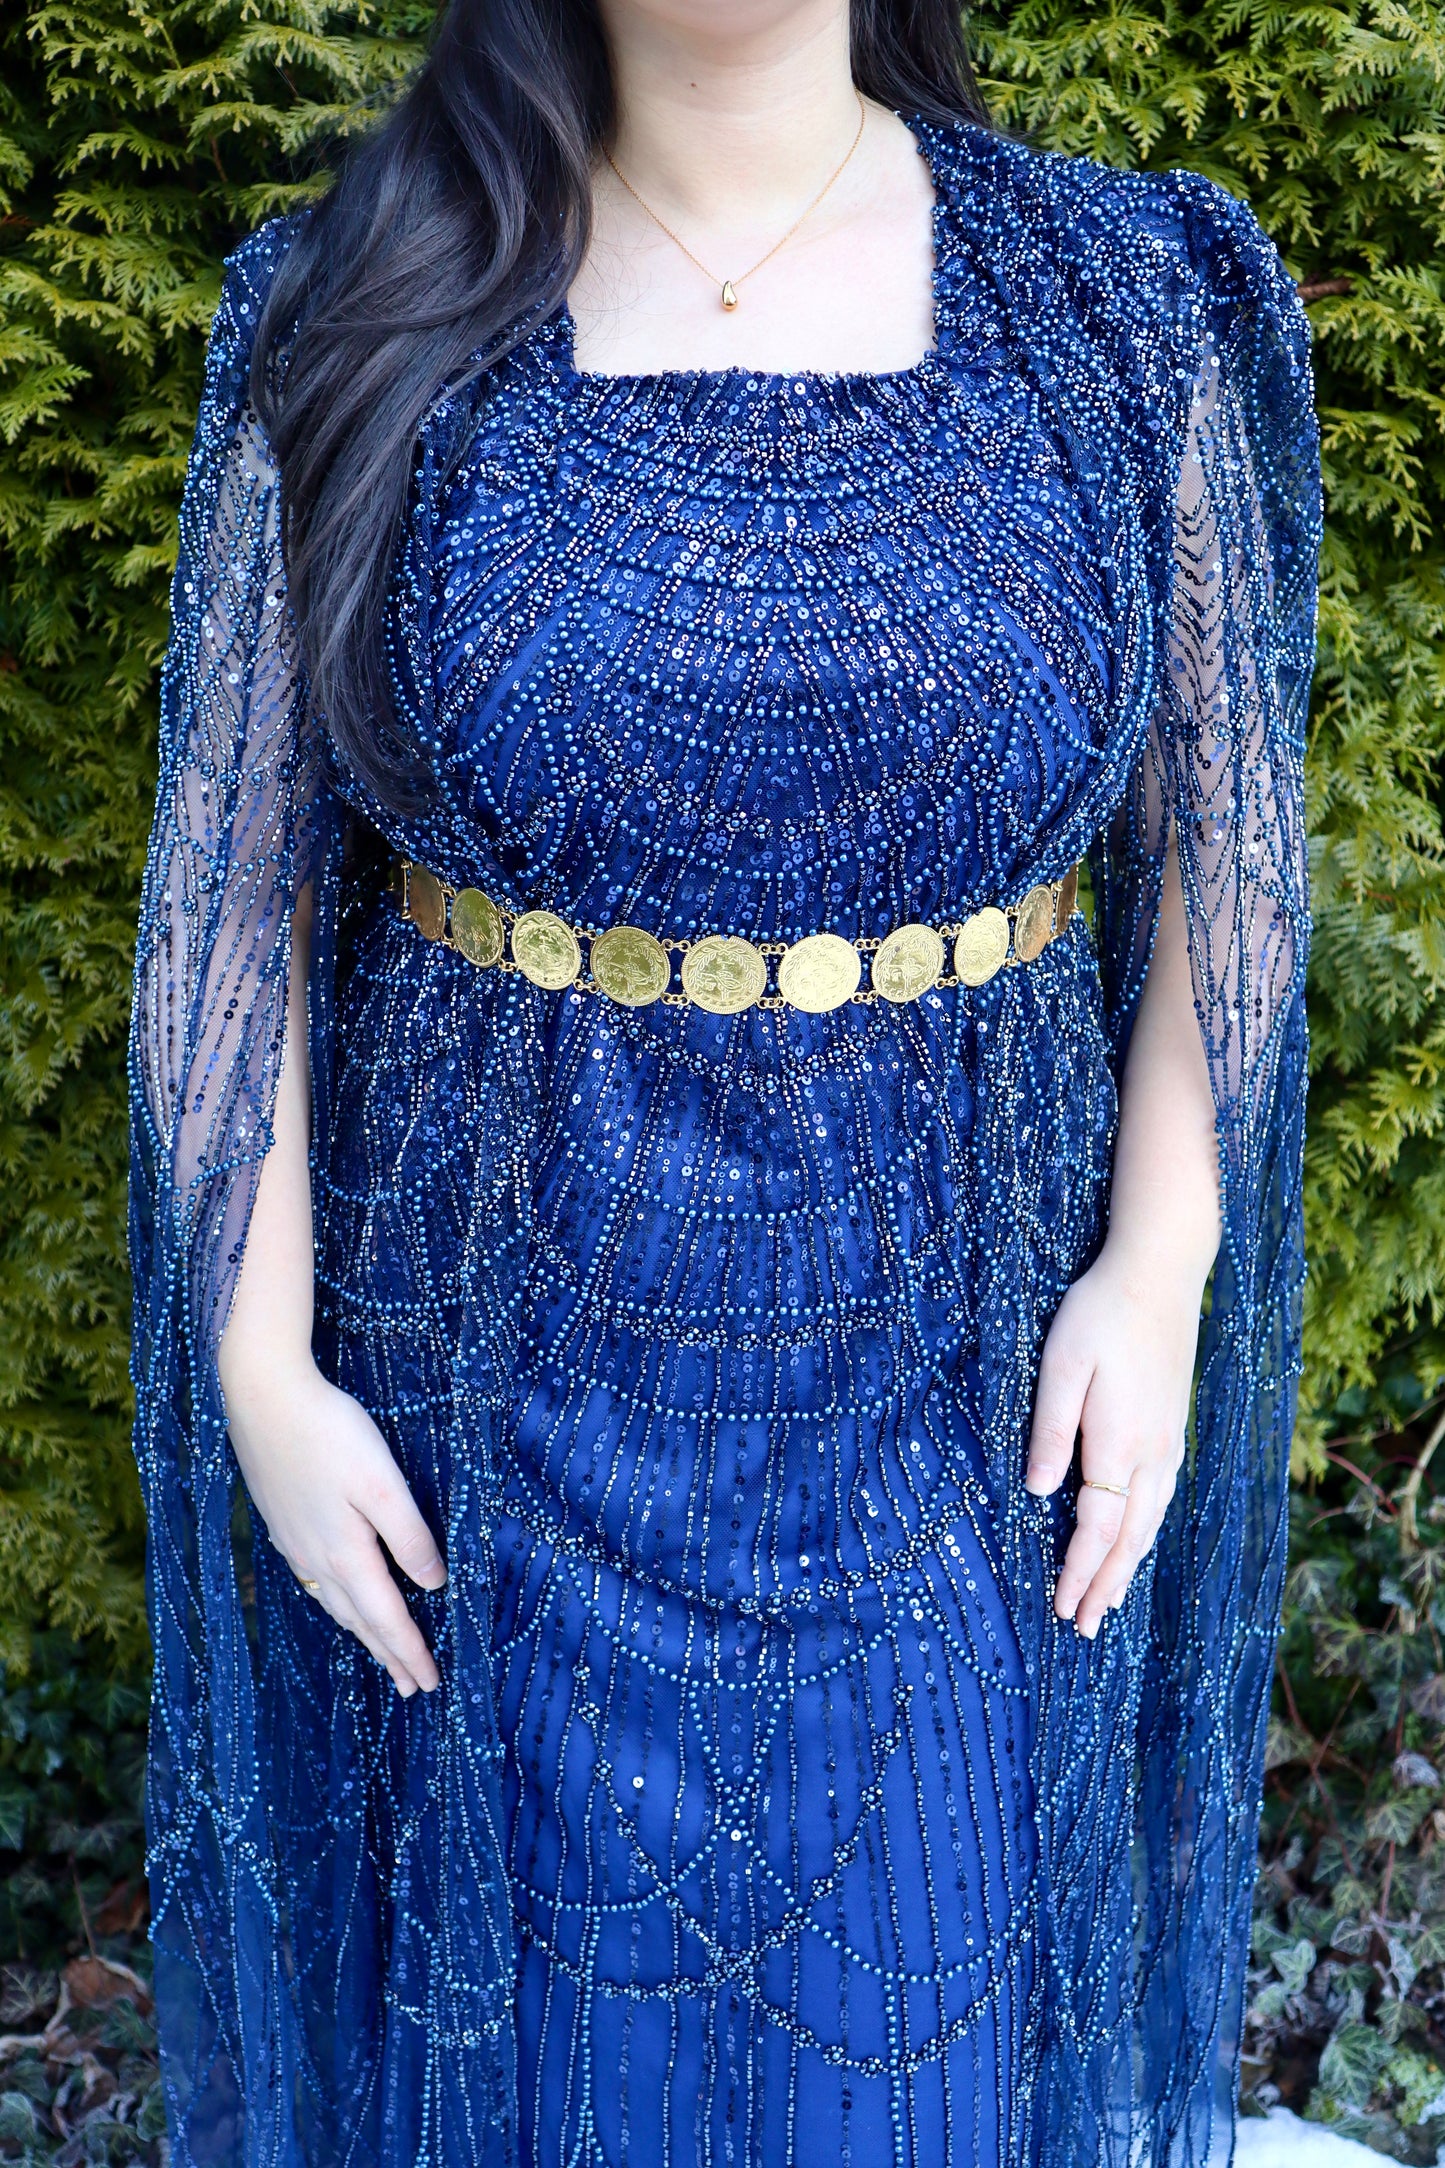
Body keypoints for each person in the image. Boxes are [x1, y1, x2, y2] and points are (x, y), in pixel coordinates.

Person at [127, 0, 1320, 2160]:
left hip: (961, 1407)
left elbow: (1230, 847)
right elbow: (229, 897)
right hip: (478, 1421)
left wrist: (1158, 1265)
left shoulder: (1119, 299)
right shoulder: (351, 304)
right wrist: (261, 1369)